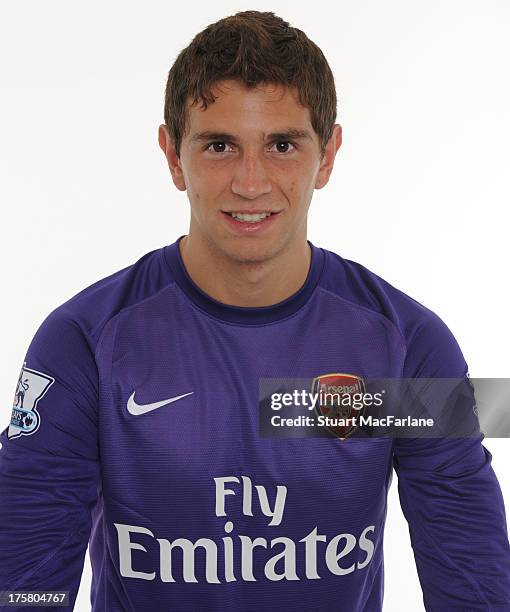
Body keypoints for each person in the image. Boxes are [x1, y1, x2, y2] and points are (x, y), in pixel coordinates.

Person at [1, 10, 509, 612]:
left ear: (328, 155)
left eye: (282, 145)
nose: (250, 182)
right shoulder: (82, 340)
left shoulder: (408, 345)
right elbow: (25, 577)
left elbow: (471, 568)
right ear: (171, 154)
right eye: (219, 145)